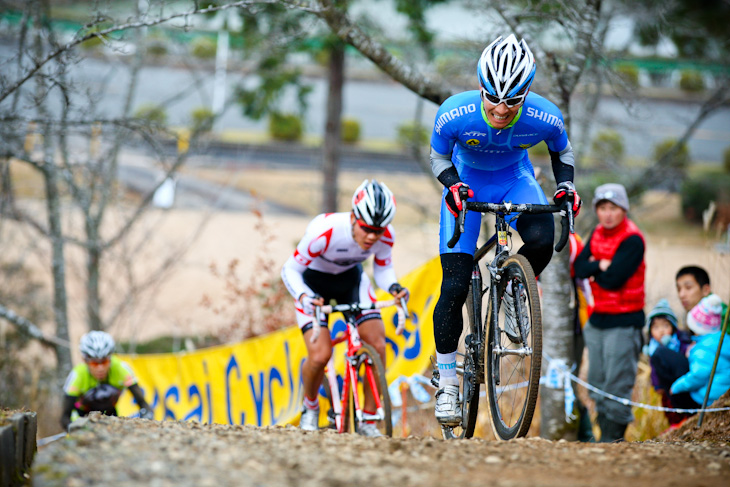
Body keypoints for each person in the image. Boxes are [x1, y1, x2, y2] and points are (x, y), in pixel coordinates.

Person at [428, 34, 582, 426]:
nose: (499, 109)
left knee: (544, 238)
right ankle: (447, 383)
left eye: (511, 101)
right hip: (466, 182)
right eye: (491, 97)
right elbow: (438, 154)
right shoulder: (454, 112)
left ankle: (514, 291)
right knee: (454, 284)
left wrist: (566, 186)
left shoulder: (545, 116)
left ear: (526, 93)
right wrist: (452, 185)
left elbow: (561, 151)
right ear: (480, 87)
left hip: (515, 178)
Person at [280, 179, 409, 437]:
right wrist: (305, 296)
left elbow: (382, 269)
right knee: (319, 355)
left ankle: (369, 419)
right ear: (353, 217)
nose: (372, 236)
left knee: (377, 343)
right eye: (366, 228)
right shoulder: (324, 230)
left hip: (351, 281)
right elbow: (290, 270)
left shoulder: (386, 235)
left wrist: (394, 287)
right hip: (312, 284)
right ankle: (310, 407)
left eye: (379, 230)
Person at [573, 183, 644, 442]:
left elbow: (614, 279)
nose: (608, 214)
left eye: (613, 208)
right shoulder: (598, 233)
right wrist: (601, 265)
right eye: (602, 208)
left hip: (624, 323)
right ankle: (604, 441)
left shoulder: (632, 239)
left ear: (623, 209)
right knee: (597, 383)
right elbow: (580, 268)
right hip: (598, 320)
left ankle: (613, 442)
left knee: (616, 387)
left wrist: (597, 269)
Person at [61, 331, 153, 429]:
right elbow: (65, 417)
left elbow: (143, 404)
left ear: (110, 358)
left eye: (104, 361)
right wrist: (72, 428)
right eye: (94, 363)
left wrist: (145, 418)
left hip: (111, 414)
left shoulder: (121, 368)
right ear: (85, 360)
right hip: (81, 416)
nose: (100, 368)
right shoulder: (77, 375)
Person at [670, 294, 730, 408]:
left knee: (679, 394)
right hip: (724, 393)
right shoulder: (723, 340)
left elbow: (697, 377)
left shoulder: (703, 350)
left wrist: (677, 387)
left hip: (710, 398)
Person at [643, 299, 695, 426]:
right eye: (656, 327)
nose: (661, 331)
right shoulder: (652, 348)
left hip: (681, 380)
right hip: (666, 386)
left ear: (673, 327)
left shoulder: (680, 341)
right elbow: (654, 370)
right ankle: (675, 422)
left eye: (665, 326)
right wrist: (657, 385)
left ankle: (686, 417)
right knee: (668, 404)